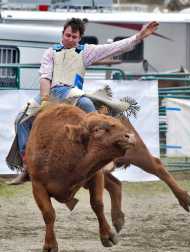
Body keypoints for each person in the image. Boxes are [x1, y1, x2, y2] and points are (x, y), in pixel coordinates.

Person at [7, 17, 159, 185]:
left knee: (87, 105)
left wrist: (139, 36)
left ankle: (105, 150)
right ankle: (27, 164)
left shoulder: (85, 52)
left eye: (74, 37)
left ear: (80, 38)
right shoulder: (50, 52)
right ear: (62, 34)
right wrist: (45, 101)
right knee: (20, 119)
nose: (70, 39)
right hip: (49, 93)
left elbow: (113, 48)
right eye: (68, 35)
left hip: (72, 91)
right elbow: (45, 78)